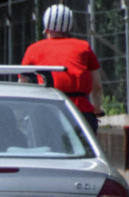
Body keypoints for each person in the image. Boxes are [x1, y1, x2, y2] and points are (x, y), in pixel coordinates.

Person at [20, 4, 103, 133]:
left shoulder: (34, 49)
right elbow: (97, 86)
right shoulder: (84, 47)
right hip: (80, 111)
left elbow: (22, 84)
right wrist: (97, 109)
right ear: (69, 27)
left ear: (46, 27)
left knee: (46, 150)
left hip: (46, 110)